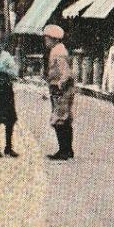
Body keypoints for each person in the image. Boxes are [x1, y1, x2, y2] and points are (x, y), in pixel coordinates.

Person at [43, 23, 76, 160]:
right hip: (62, 89)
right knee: (64, 119)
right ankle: (67, 150)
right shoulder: (59, 49)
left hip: (61, 90)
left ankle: (64, 151)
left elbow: (66, 72)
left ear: (53, 39)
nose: (46, 42)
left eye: (47, 39)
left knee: (59, 120)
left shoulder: (58, 52)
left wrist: (60, 85)